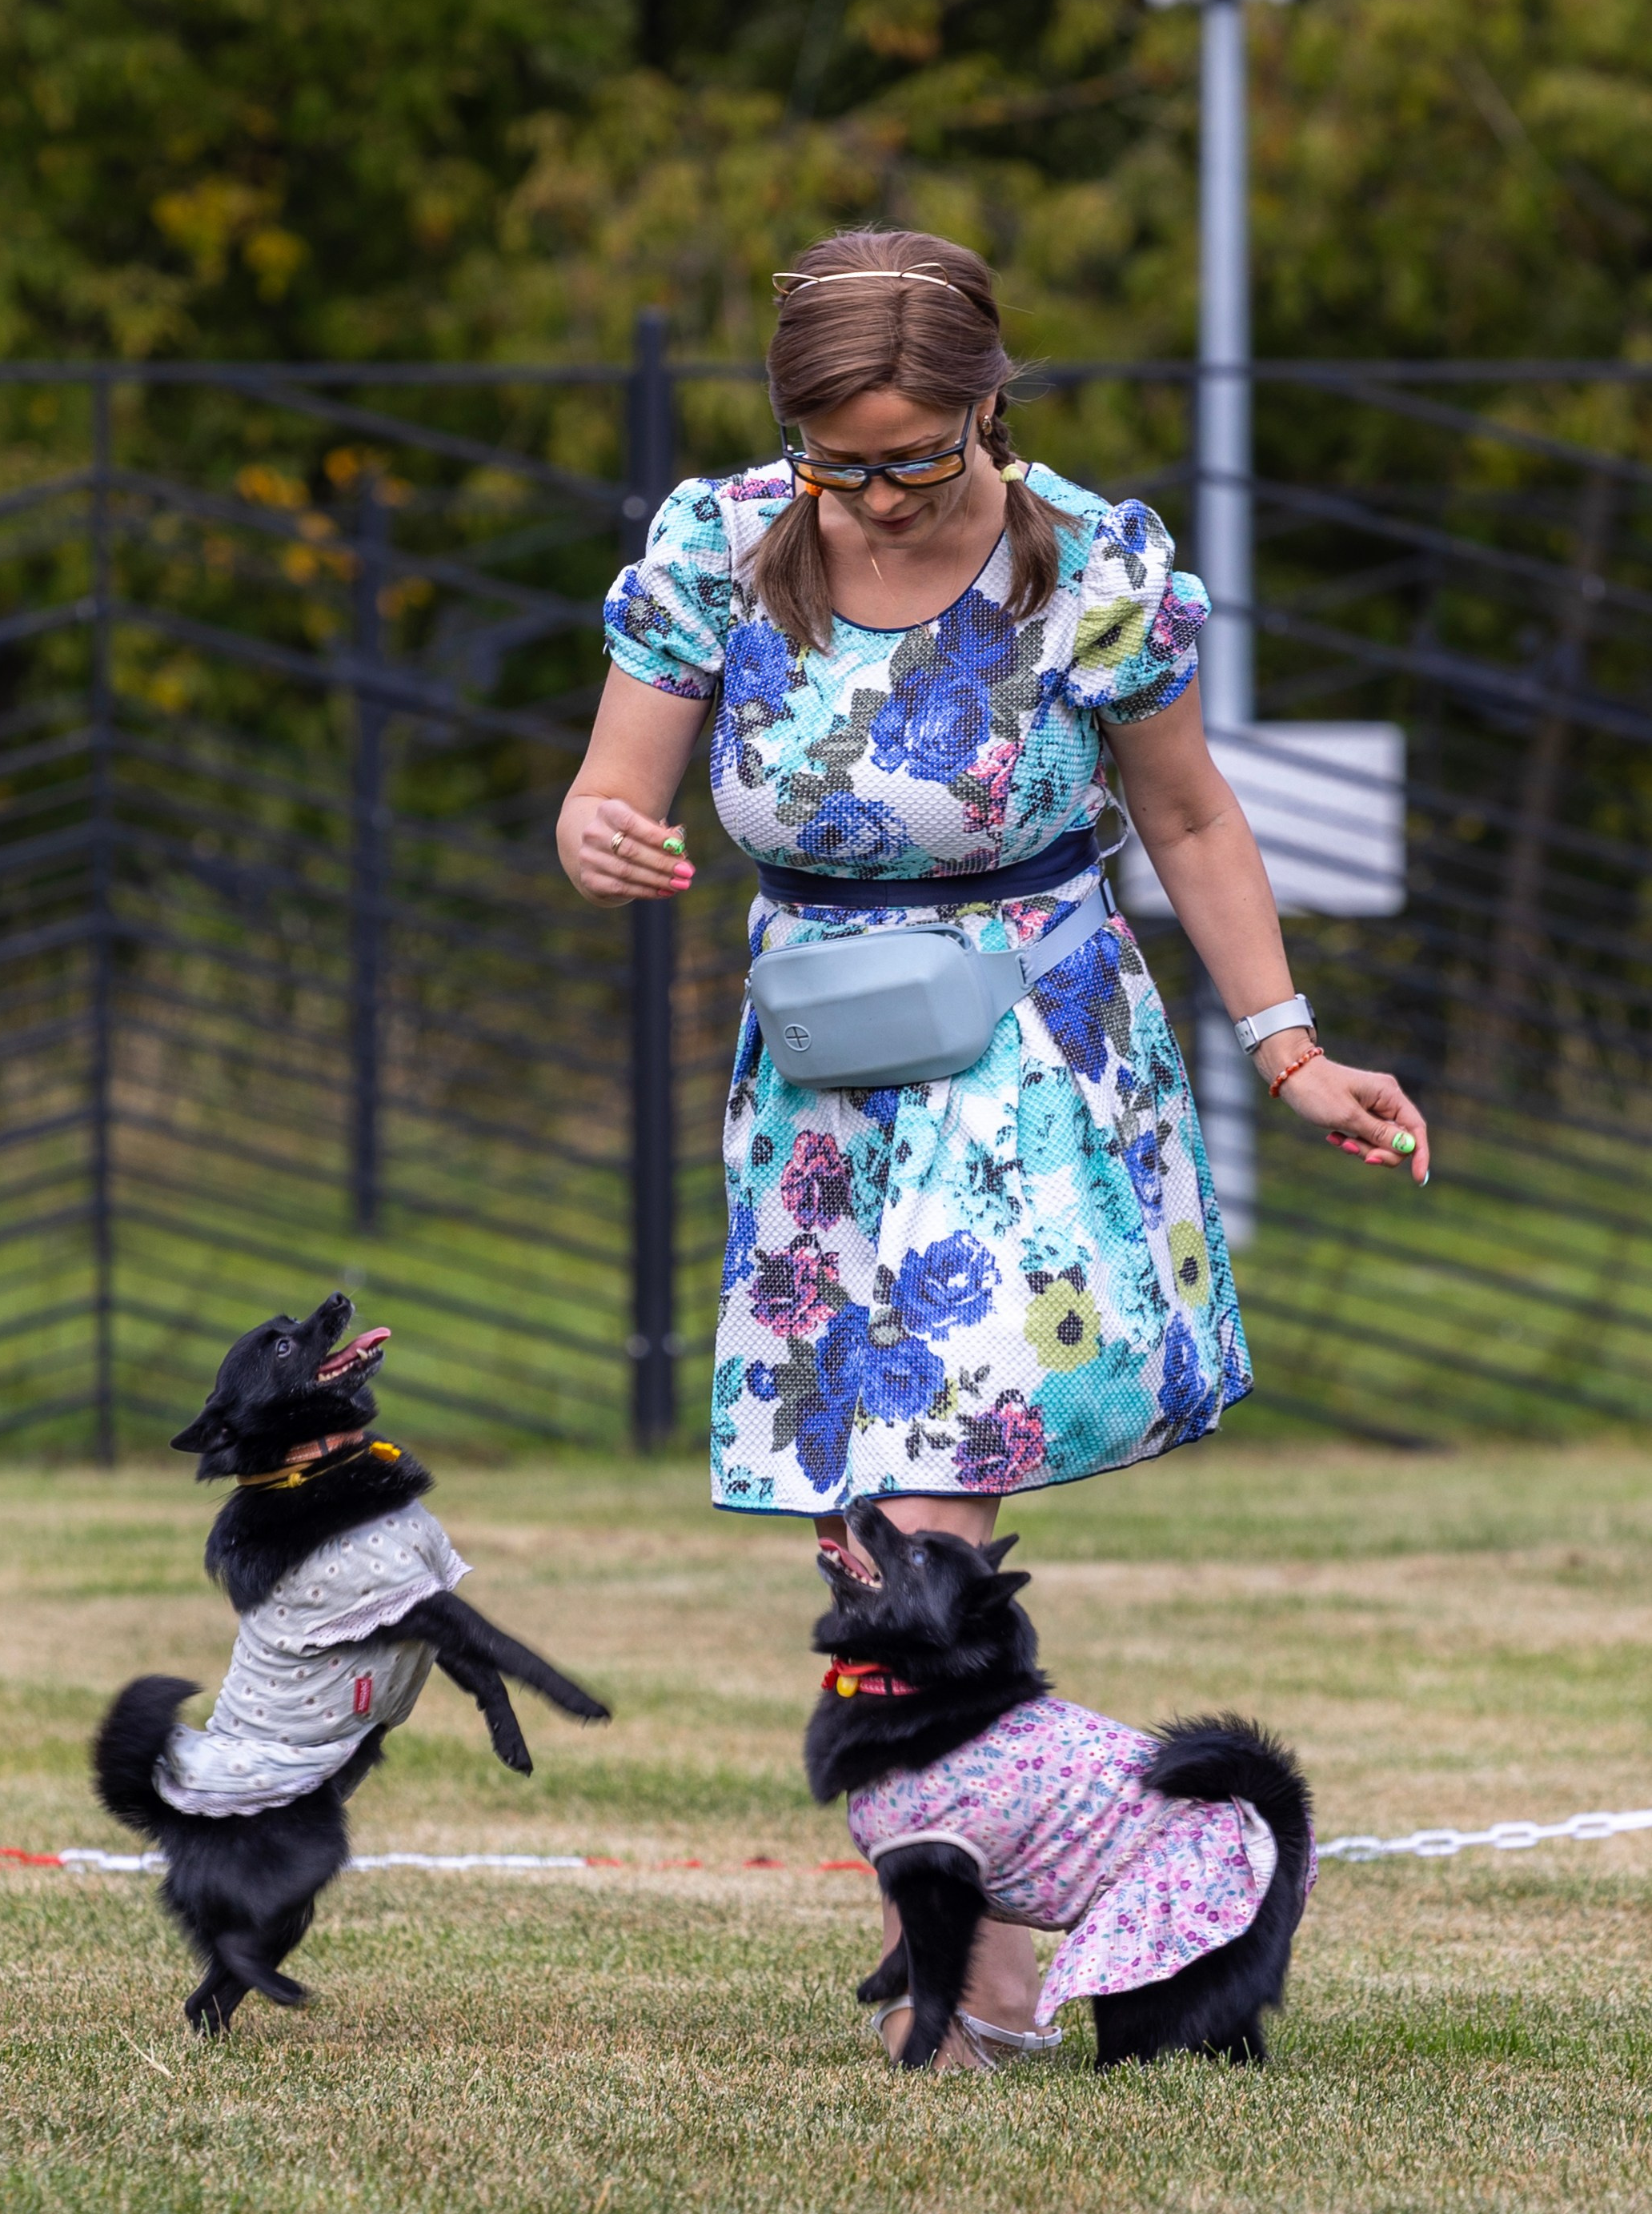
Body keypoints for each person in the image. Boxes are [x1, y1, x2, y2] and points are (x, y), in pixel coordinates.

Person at [557, 225, 1428, 2066]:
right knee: (861, 1520)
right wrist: (593, 831)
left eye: (915, 454)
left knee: (938, 1470)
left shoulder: (1087, 563)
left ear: (986, 408)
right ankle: (1005, 1940)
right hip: (819, 1066)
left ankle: (972, 1981)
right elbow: (609, 787)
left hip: (1029, 1046)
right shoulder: (714, 545)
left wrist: (1287, 1051)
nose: (874, 494)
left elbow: (1186, 818)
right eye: (837, 458)